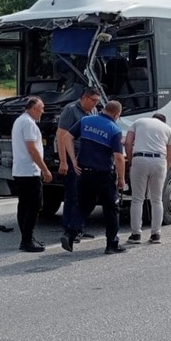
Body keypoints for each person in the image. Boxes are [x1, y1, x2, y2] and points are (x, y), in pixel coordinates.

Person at [65, 99, 127, 255]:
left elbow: (67, 137)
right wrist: (121, 178)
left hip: (84, 172)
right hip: (103, 175)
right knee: (111, 209)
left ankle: (70, 233)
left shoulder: (86, 120)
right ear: (117, 114)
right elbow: (119, 158)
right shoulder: (114, 129)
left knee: (84, 205)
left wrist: (73, 160)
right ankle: (112, 244)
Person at [56, 86, 101, 247]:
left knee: (84, 194)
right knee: (72, 193)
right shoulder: (70, 111)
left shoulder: (93, 111)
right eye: (94, 101)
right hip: (71, 156)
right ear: (85, 98)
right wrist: (63, 161)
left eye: (97, 101)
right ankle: (69, 228)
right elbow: (61, 137)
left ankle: (79, 228)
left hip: (85, 157)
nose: (95, 104)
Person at [124, 113, 171, 245]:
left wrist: (131, 160)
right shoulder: (168, 129)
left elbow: (128, 142)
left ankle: (136, 234)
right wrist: (165, 169)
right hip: (159, 161)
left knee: (137, 199)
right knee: (156, 199)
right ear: (163, 121)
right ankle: (155, 234)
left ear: (153, 118)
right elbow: (170, 155)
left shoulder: (139, 121)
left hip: (140, 159)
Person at [11, 97, 52, 253]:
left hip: (20, 170)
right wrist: (45, 169)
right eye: (41, 108)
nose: (43, 111)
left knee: (24, 205)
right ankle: (27, 240)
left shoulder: (20, 120)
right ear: (34, 108)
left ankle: (27, 237)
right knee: (33, 207)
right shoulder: (28, 123)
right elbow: (32, 149)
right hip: (29, 171)